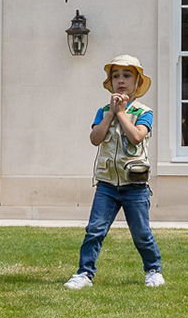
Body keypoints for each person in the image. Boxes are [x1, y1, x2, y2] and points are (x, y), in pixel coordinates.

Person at [65, 55, 164, 289]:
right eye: (115, 76)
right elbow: (95, 138)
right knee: (94, 230)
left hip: (135, 186)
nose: (121, 80)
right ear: (110, 82)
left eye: (127, 75)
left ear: (137, 82)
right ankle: (84, 273)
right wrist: (110, 113)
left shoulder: (144, 112)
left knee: (141, 233)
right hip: (107, 185)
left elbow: (136, 136)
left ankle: (153, 270)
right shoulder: (103, 111)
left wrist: (121, 114)